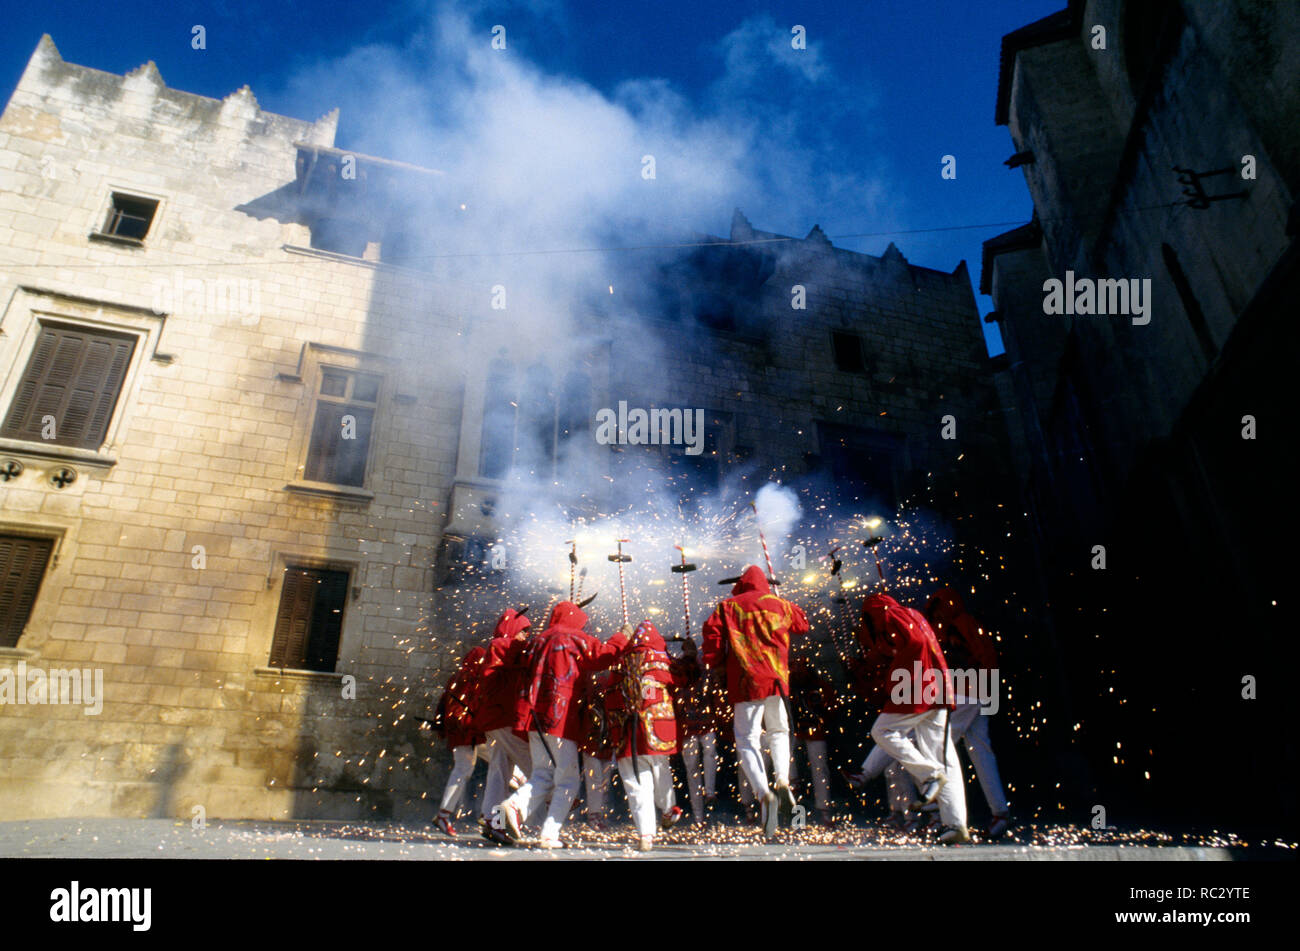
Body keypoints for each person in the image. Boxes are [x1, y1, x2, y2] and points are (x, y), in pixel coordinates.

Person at [498, 601, 628, 849]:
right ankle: (547, 833)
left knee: (542, 774)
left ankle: (506, 814)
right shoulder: (574, 638)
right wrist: (622, 637)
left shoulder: (538, 640)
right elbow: (602, 656)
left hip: (534, 718)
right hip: (560, 716)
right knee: (568, 780)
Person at [702, 565, 810, 840]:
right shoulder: (780, 604)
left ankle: (763, 793)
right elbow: (803, 624)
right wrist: (782, 599)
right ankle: (783, 779)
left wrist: (713, 665)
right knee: (779, 731)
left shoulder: (727, 606)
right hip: (777, 680)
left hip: (745, 681)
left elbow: (712, 638)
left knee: (747, 739)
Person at [861, 592, 970, 844]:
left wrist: (895, 675)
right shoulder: (913, 613)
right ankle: (955, 825)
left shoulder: (890, 614)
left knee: (883, 732)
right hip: (938, 687)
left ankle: (928, 774)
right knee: (944, 759)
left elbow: (916, 644)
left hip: (919, 687)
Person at [925, 586, 1010, 839]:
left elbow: (974, 658)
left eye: (938, 609)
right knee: (980, 751)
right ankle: (1000, 813)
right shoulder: (961, 623)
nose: (937, 614)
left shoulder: (958, 624)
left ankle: (939, 811)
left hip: (969, 690)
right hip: (978, 690)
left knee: (939, 746)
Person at [606, 619, 684, 851]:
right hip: (657, 731)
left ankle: (645, 834)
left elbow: (609, 696)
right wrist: (689, 654)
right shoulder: (661, 659)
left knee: (636, 785)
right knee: (660, 772)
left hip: (626, 733)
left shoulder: (620, 662)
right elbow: (685, 677)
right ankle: (669, 809)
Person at [476, 607, 535, 845]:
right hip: (502, 719)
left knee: (500, 772)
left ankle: (493, 821)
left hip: (496, 719)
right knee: (541, 771)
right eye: (523, 632)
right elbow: (527, 653)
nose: (525, 637)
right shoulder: (502, 644)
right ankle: (516, 810)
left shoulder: (504, 647)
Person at [432, 644, 488, 835]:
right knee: (501, 766)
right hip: (468, 731)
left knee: (467, 769)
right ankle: (492, 817)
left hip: (460, 732)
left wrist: (441, 726)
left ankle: (489, 815)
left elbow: (443, 703)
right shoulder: (474, 679)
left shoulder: (455, 678)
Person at [669, 636, 720, 825]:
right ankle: (699, 815)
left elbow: (714, 689)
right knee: (692, 769)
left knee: (709, 752)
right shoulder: (679, 667)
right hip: (688, 724)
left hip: (705, 720)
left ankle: (710, 791)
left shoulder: (704, 667)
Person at [789, 654, 836, 825]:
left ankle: (825, 813)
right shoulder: (788, 686)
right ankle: (797, 817)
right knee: (791, 774)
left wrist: (821, 721)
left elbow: (831, 707)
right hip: (793, 733)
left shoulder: (818, 686)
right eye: (794, 666)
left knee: (819, 770)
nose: (797, 670)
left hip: (815, 731)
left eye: (800, 666)